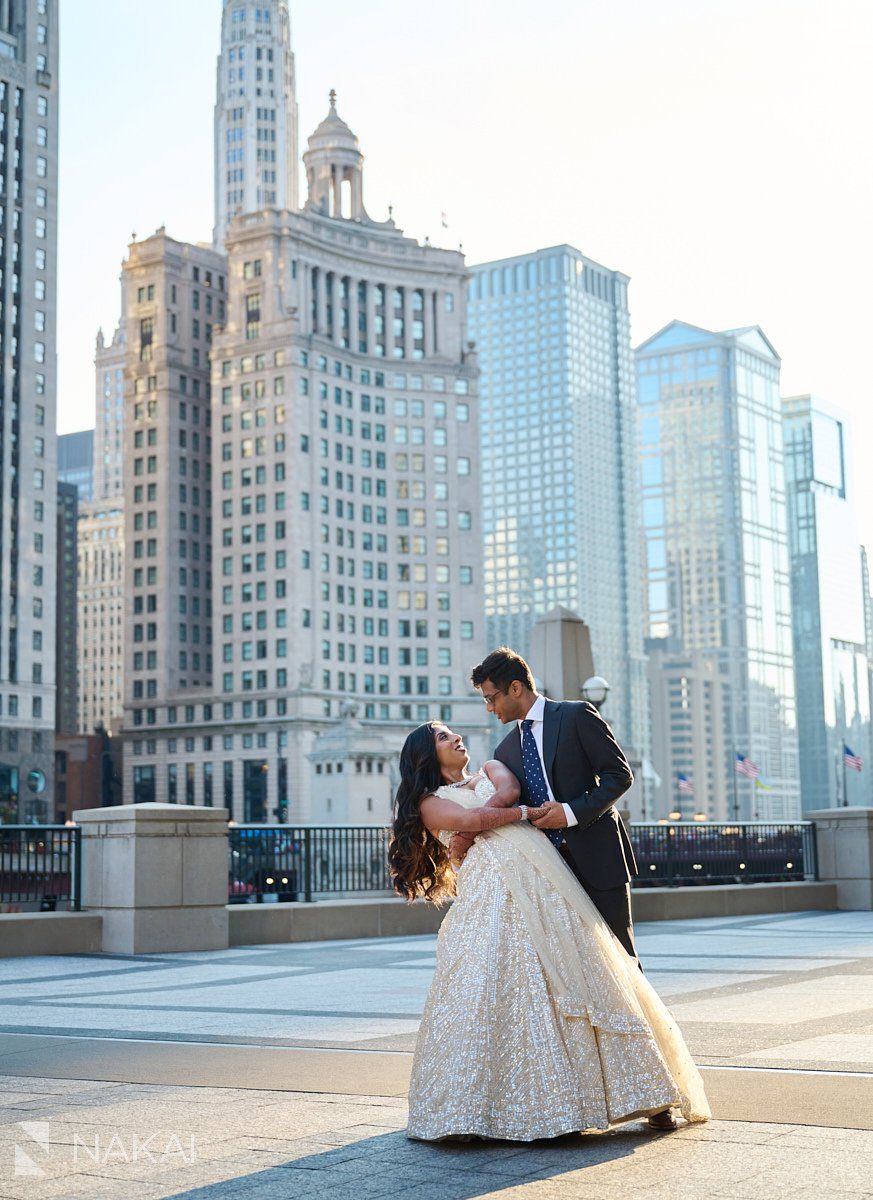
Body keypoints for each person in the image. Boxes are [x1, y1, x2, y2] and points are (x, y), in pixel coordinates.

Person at [389, 720, 710, 1143]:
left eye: (452, 732)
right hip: (490, 892)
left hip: (545, 879)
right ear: (427, 756)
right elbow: (477, 813)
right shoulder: (430, 802)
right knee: (498, 981)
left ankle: (645, 1095)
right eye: (443, 738)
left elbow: (507, 793)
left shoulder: (490, 767)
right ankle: (486, 1109)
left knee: (584, 965)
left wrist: (477, 826)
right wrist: (505, 818)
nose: (455, 738)